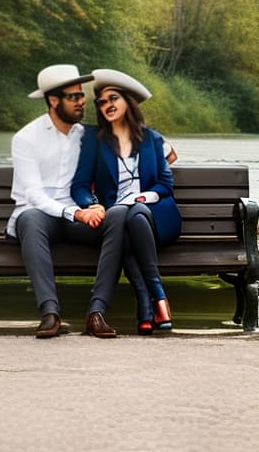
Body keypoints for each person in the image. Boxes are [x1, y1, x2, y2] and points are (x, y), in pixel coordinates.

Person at [6, 64, 128, 339]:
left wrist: (163, 148)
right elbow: (34, 195)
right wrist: (75, 213)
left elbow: (132, 139)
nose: (82, 101)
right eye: (74, 97)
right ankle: (50, 314)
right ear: (53, 101)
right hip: (40, 219)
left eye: (81, 95)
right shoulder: (26, 138)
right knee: (30, 216)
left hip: (77, 219)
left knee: (118, 216)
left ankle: (96, 314)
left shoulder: (89, 135)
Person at [71, 69, 182, 335]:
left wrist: (139, 198)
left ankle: (151, 296)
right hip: (119, 218)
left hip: (157, 215)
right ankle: (152, 305)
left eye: (113, 98)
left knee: (135, 213)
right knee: (125, 218)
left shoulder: (152, 139)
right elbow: (80, 186)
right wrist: (91, 204)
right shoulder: (95, 143)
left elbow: (165, 186)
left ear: (127, 102)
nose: (106, 105)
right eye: (101, 101)